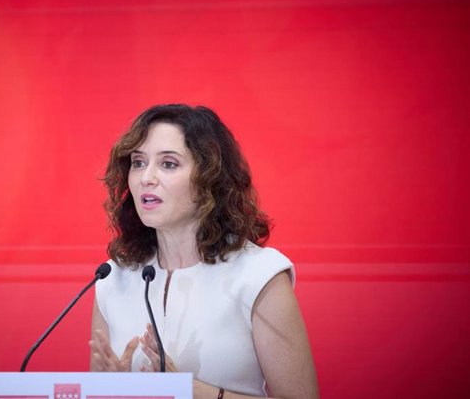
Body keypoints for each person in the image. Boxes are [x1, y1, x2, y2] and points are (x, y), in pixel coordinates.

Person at [89, 104, 319, 399]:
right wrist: (112, 392)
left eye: (168, 164)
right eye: (138, 162)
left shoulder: (259, 276)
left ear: (208, 179)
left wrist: (189, 391)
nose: (146, 177)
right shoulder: (112, 278)